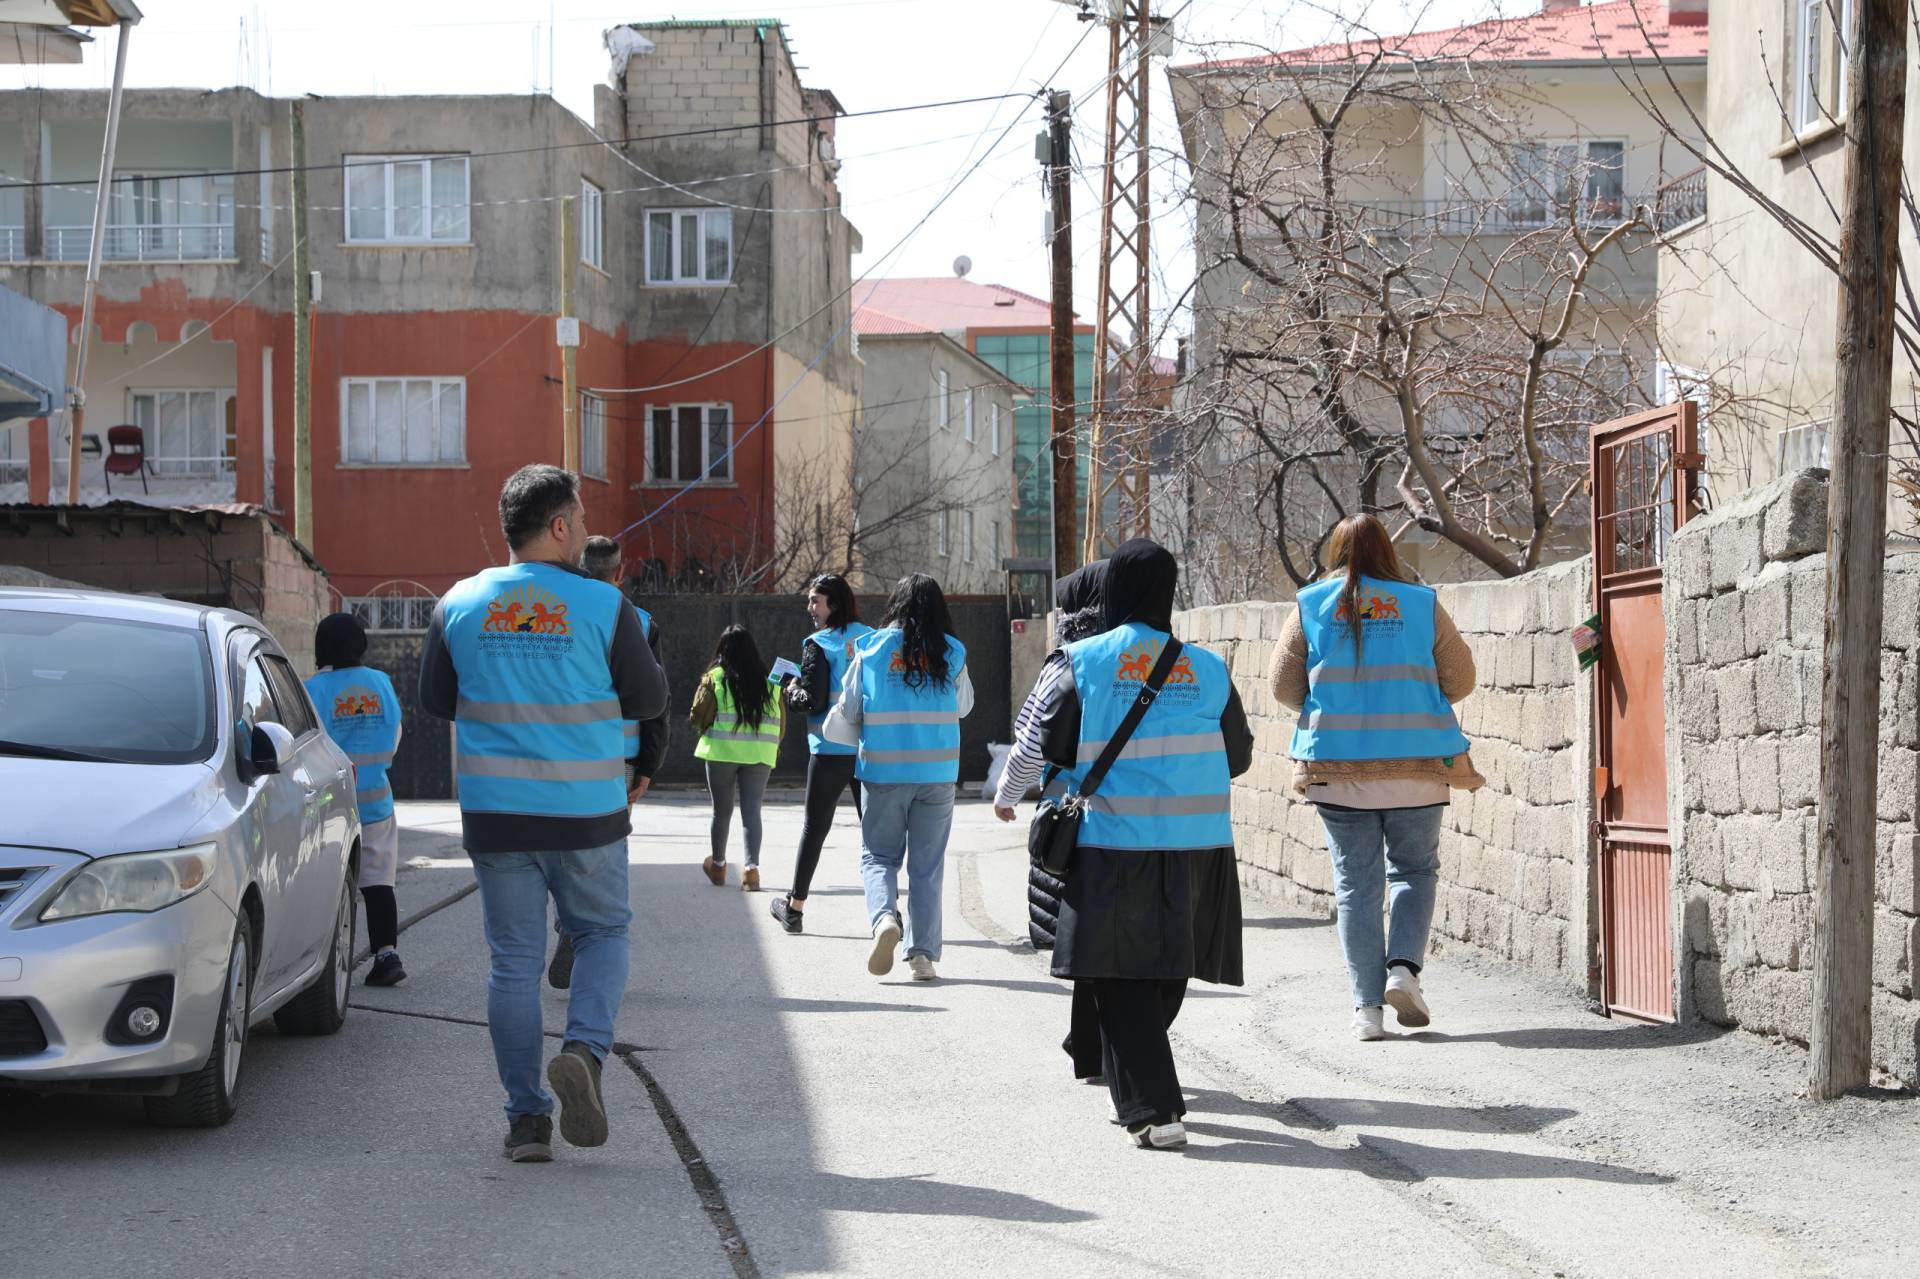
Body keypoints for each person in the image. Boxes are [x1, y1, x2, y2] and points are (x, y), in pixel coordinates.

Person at [419, 464, 668, 1164]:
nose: (585, 530)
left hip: (497, 815)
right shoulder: (601, 606)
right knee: (602, 933)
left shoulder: (457, 603)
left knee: (513, 964)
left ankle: (526, 1119)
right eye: (581, 519)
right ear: (559, 527)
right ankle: (584, 1052)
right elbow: (647, 700)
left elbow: (437, 699)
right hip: (585, 811)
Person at [997, 538, 1252, 1150]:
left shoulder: (1080, 660)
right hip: (1199, 841)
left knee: (1118, 973)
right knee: (1166, 967)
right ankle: (1109, 1062)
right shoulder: (1209, 668)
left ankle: (1153, 1108)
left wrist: (1009, 792)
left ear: (1112, 592)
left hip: (1114, 840)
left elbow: (1035, 742)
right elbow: (1237, 756)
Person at [1269, 513, 1481, 1042]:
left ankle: (1367, 1011)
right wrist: (1414, 702)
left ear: (1334, 551)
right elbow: (1461, 678)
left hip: (1336, 769)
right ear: (1388, 551)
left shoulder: (1309, 606)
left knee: (1355, 888)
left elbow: (1281, 686)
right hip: (1417, 764)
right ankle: (1403, 971)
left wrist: (1331, 708)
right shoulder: (1421, 603)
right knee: (1413, 871)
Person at [822, 573, 972, 982]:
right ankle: (921, 955)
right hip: (938, 774)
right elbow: (964, 707)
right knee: (926, 867)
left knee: (879, 857)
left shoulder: (869, 648)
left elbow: (850, 710)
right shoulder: (952, 651)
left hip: (883, 771)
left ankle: (885, 918)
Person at [995, 560, 1108, 1081]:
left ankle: (1091, 1044)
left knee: (1087, 936)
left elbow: (1030, 743)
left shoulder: (1067, 662)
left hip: (1071, 814)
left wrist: (1007, 795)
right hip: (1135, 815)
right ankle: (1091, 1042)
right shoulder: (1136, 657)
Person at [547, 534, 668, 992]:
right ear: (620, 572)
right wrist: (649, 766)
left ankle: (567, 927)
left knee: (564, 846)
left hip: (561, 751)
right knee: (607, 850)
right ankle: (595, 939)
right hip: (618, 757)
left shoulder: (556, 613)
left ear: (578, 566)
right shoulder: (640, 621)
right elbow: (657, 701)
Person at [305, 612, 408, 988]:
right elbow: (394, 735)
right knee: (379, 882)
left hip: (330, 808)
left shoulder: (313, 690)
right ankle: (386, 954)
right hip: (377, 801)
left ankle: (326, 963)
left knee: (333, 885)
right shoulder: (380, 683)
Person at [769, 574, 873, 934]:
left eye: (816, 601)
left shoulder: (819, 643)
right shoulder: (874, 638)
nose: (810, 608)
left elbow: (810, 701)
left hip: (829, 749)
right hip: (867, 749)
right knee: (874, 833)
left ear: (835, 604)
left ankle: (794, 909)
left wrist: (791, 686)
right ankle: (887, 912)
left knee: (814, 828)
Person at [692, 624, 785, 890]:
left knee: (721, 812)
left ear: (722, 650)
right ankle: (751, 871)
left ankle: (719, 867)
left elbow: (698, 715)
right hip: (760, 753)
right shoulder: (771, 681)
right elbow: (782, 719)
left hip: (721, 752)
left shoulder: (715, 677)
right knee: (752, 812)